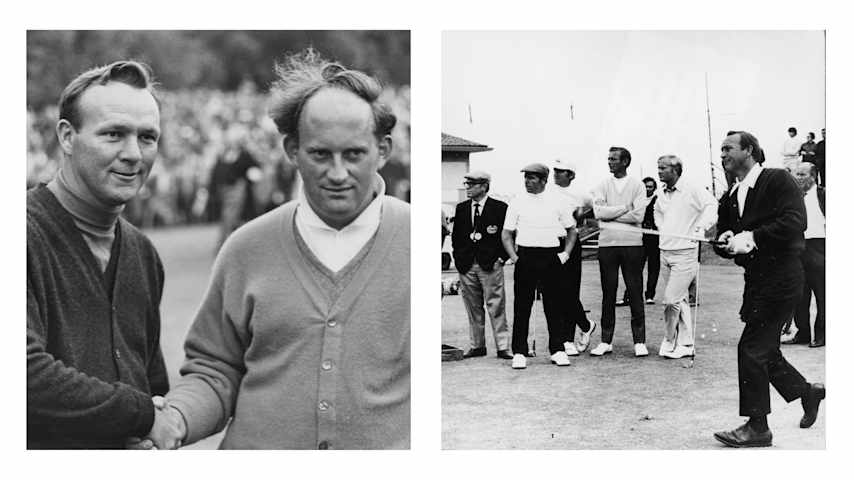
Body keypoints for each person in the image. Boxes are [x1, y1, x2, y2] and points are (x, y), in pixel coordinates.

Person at [158, 49, 410, 449]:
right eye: (320, 154)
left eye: (354, 154)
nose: (338, 173)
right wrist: (175, 420)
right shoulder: (245, 248)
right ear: (292, 149)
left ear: (383, 150)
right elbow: (214, 370)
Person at [26, 60, 180, 448]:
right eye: (114, 134)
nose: (133, 154)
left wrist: (143, 433)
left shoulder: (142, 253)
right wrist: (140, 415)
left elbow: (151, 383)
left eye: (147, 137)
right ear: (67, 137)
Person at [712, 130, 824, 448]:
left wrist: (752, 237)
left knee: (751, 348)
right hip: (757, 282)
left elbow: (795, 221)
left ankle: (758, 427)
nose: (723, 154)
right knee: (765, 350)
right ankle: (807, 392)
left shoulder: (777, 179)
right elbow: (726, 236)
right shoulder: (731, 196)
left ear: (749, 150)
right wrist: (725, 242)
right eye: (721, 149)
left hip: (783, 278)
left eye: (728, 148)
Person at [502, 163, 576, 369]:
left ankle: (558, 350)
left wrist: (565, 255)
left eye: (532, 178)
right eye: (525, 177)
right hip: (525, 256)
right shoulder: (516, 202)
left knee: (554, 306)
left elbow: (572, 231)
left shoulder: (557, 201)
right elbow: (506, 234)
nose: (527, 181)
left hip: (551, 257)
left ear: (544, 180)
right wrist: (515, 257)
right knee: (522, 306)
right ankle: (519, 352)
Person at [584, 147, 648, 357]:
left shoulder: (637, 185)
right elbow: (598, 212)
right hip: (607, 245)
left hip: (633, 244)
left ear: (625, 161)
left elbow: (638, 216)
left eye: (614, 159)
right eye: (609, 158)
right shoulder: (602, 184)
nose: (610, 162)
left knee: (635, 291)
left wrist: (610, 215)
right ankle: (605, 341)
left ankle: (639, 341)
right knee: (608, 292)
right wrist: (624, 208)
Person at [653, 156, 717, 359]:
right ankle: (686, 343)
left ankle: (669, 338)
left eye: (663, 168)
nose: (659, 171)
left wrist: (700, 228)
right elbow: (657, 211)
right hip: (665, 251)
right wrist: (662, 227)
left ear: (675, 170)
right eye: (658, 168)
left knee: (671, 300)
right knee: (679, 300)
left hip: (686, 252)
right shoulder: (661, 191)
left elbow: (712, 205)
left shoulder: (692, 188)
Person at [452, 171, 512, 360]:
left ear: (484, 186)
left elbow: (508, 235)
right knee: (473, 307)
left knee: (496, 305)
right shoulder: (461, 208)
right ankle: (477, 345)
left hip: (491, 265)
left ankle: (503, 347)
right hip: (467, 265)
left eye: (472, 184)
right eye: (467, 184)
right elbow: (456, 237)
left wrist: (501, 258)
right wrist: (459, 260)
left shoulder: (500, 208)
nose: (467, 188)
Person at [551, 158, 596, 355]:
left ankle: (567, 339)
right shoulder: (548, 192)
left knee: (569, 290)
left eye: (560, 171)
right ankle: (585, 325)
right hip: (551, 242)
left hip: (571, 242)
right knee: (555, 291)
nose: (556, 174)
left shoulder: (582, 194)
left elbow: (594, 210)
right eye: (555, 171)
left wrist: (581, 217)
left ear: (571, 175)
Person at [783, 163, 825, 348]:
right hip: (797, 248)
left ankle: (822, 335)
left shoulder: (823, 195)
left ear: (813, 177)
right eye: (796, 174)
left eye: (802, 174)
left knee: (823, 294)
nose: (797, 178)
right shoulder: (792, 197)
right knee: (799, 294)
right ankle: (803, 333)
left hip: (819, 248)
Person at [616, 176, 660, 306]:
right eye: (645, 186)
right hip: (638, 237)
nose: (647, 189)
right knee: (635, 267)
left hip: (653, 237)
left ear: (654, 188)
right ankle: (629, 296)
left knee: (653, 267)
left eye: (650, 187)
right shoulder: (636, 200)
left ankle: (650, 295)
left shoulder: (658, 200)